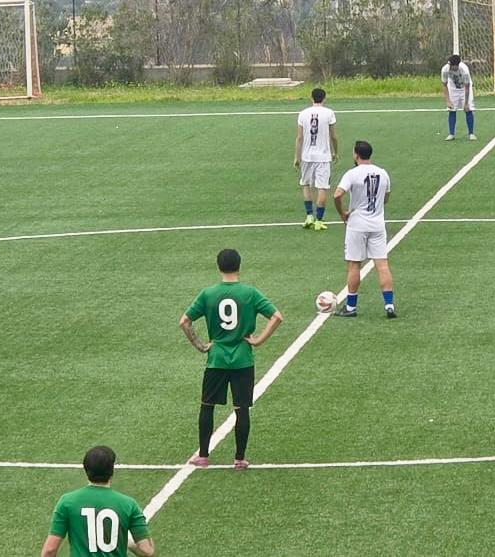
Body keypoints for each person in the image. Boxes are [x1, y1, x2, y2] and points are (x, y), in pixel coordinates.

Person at [179, 249, 283, 470]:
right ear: (239, 266)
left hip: (216, 359)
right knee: (241, 409)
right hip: (243, 360)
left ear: (219, 267)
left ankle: (203, 456)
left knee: (207, 406)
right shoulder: (250, 293)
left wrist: (201, 346)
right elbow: (277, 317)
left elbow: (184, 322)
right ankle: (239, 458)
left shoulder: (208, 294)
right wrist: (258, 340)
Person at [41, 446, 155, 557]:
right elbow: (147, 551)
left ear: (86, 470)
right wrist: (128, 543)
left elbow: (49, 550)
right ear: (111, 471)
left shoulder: (67, 502)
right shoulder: (129, 504)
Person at [333, 141, 397, 319]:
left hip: (357, 225)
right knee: (382, 265)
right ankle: (389, 305)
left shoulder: (352, 174)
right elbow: (386, 198)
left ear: (356, 154)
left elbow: (337, 194)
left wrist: (342, 213)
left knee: (354, 264)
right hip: (377, 224)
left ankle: (351, 307)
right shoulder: (383, 173)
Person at [294, 88, 338, 231]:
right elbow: (333, 136)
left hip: (307, 156)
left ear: (311, 98)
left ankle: (309, 216)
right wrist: (335, 152)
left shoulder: (303, 113)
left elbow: (299, 138)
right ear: (324, 98)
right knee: (322, 187)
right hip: (323, 157)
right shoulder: (329, 113)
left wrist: (297, 157)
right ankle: (319, 220)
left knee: (305, 184)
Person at [441, 54, 475, 141]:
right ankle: (451, 134)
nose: (451, 68)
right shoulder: (445, 70)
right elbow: (444, 85)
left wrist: (466, 103)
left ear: (457, 65)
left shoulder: (464, 70)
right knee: (451, 110)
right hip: (453, 89)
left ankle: (471, 133)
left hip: (464, 89)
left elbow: (467, 87)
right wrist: (448, 101)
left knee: (468, 109)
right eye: (450, 66)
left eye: (453, 67)